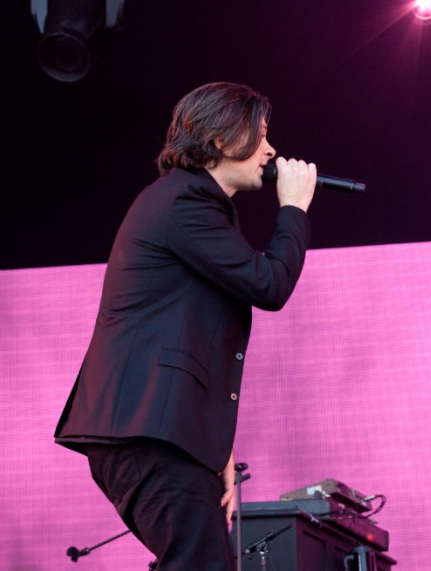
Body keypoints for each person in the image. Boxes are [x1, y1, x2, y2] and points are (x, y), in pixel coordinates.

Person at [54, 81, 316, 570]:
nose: (271, 150)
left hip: (162, 431)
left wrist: (215, 447)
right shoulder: (185, 202)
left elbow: (190, 331)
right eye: (260, 135)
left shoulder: (195, 206)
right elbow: (269, 284)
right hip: (147, 431)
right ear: (220, 140)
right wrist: (294, 209)